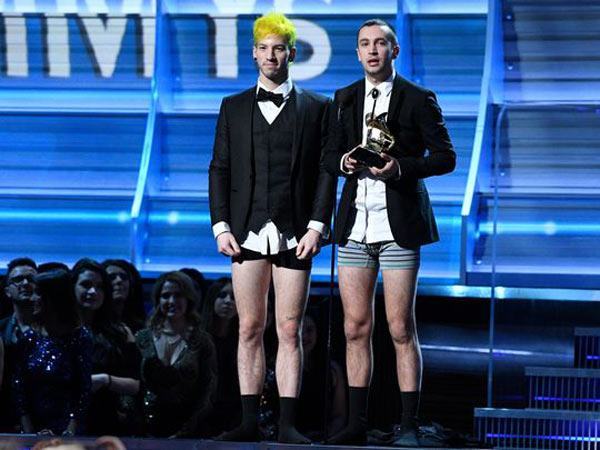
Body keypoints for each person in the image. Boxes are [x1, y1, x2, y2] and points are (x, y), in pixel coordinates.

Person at [323, 19, 456, 446]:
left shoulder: (418, 98)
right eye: (365, 44)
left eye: (380, 43)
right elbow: (327, 155)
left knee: (400, 327)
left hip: (398, 224)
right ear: (357, 53)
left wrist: (401, 167)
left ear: (394, 50)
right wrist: (343, 161)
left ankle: (409, 425)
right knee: (354, 327)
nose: (372, 50)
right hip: (355, 225)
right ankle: (356, 423)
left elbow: (445, 157)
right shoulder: (344, 97)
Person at [208, 12, 335, 444]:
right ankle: (248, 421)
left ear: (291, 53)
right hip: (245, 231)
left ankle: (286, 425)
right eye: (263, 48)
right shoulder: (233, 106)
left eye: (278, 48)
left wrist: (317, 226)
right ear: (253, 54)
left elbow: (325, 172)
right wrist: (221, 226)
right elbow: (219, 168)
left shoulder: (318, 107)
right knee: (248, 327)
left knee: (289, 329)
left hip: (296, 232)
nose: (270, 56)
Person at [136, 271, 217, 438]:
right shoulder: (142, 338)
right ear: (158, 300)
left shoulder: (202, 341)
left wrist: (185, 432)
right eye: (166, 296)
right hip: (143, 432)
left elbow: (208, 392)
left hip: (190, 433)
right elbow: (134, 386)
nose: (172, 301)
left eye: (178, 295)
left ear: (189, 299)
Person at [13, 269, 92, 436]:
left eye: (37, 293)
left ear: (54, 298)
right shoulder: (29, 339)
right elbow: (20, 389)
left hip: (69, 432)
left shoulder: (79, 338)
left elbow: (82, 390)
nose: (32, 299)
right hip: (32, 431)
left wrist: (69, 432)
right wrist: (30, 433)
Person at [72, 258, 140, 436]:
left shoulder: (120, 332)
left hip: (106, 421)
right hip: (61, 419)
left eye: (100, 287)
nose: (93, 291)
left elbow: (135, 384)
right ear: (73, 287)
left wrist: (104, 380)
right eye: (86, 285)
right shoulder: (58, 330)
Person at [0, 257, 38, 432]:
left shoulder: (54, 329)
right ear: (8, 291)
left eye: (31, 279)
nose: (25, 283)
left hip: (44, 418)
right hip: (5, 416)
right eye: (18, 279)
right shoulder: (1, 329)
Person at [297, 312, 347, 440]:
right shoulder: (280, 367)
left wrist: (326, 435)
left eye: (309, 330)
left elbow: (339, 415)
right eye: (299, 330)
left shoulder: (332, 370)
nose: (304, 336)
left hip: (321, 438)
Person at [102, 260, 146, 333]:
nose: (119, 280)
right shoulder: (92, 324)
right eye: (111, 277)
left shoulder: (142, 328)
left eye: (124, 277)